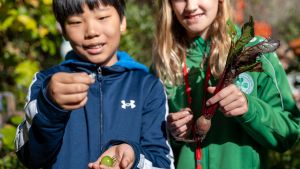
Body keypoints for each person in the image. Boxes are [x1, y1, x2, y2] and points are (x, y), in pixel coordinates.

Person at [14, 0, 174, 169]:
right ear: (63, 30)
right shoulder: (46, 83)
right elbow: (30, 156)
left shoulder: (147, 87)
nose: (91, 31)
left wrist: (133, 157)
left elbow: (162, 163)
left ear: (122, 22)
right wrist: (49, 107)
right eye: (76, 22)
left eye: (103, 17)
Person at [152, 0, 300, 169]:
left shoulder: (254, 52)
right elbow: (152, 144)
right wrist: (172, 135)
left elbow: (289, 134)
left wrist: (250, 109)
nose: (191, 6)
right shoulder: (162, 63)